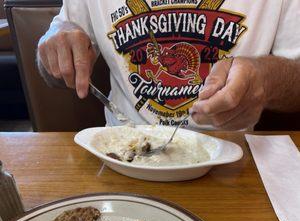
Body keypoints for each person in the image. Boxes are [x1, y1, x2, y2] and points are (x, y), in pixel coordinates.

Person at [37, 0, 300, 130]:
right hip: (122, 152)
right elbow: (53, 73)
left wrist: (265, 79)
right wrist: (55, 43)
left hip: (231, 160)